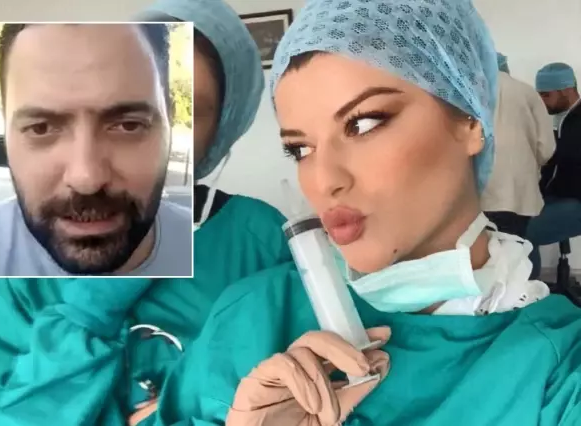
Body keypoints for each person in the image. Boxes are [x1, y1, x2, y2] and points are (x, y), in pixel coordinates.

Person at [146, 1, 581, 425]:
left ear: (470, 120)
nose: (324, 180)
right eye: (300, 149)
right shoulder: (253, 315)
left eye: (364, 124)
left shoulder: (558, 367)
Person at [0, 1, 291, 425]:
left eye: (188, 111)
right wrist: (90, 309)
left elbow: (304, 396)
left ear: (224, 124)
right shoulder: (30, 250)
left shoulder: (261, 240)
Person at [0, 23, 192, 277]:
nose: (87, 180)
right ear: (5, 125)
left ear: (170, 119)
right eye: (41, 128)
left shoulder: (209, 250)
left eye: (129, 125)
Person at [481, 53, 555, 238]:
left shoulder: (465, 93)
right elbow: (546, 147)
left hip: (478, 193)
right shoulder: (528, 93)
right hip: (519, 192)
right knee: (517, 247)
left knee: (483, 250)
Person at [527, 63, 581, 279]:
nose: (541, 101)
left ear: (566, 90)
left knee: (524, 234)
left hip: (577, 200)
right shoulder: (562, 120)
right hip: (559, 195)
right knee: (514, 222)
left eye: (546, 95)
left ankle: (528, 293)